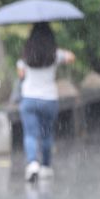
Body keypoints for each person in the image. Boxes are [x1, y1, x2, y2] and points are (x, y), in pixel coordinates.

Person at [16, 22, 75, 182]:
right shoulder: (55, 54)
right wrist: (58, 52)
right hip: (49, 99)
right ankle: (46, 167)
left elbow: (21, 75)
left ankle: (33, 163)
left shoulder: (25, 56)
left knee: (30, 134)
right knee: (47, 134)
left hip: (29, 98)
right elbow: (71, 57)